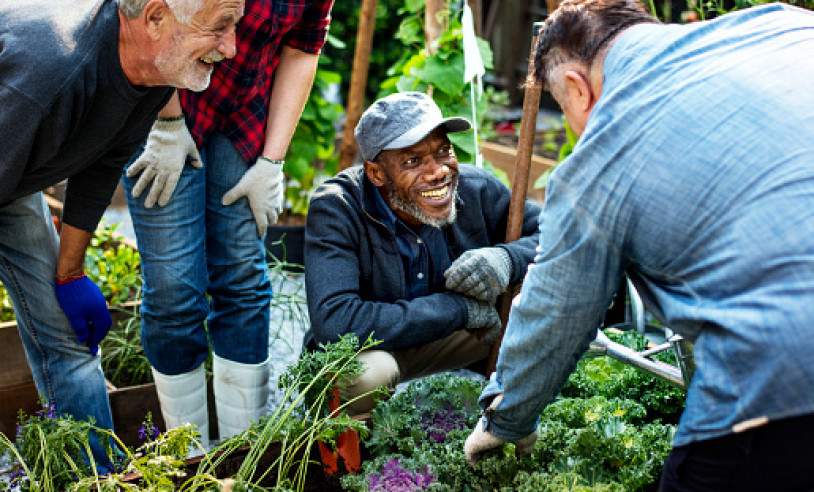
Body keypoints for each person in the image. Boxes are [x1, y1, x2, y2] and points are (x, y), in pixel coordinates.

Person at [463, 1, 814, 489]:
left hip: (783, 377)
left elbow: (556, 309)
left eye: (564, 111)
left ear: (576, 88)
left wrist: (506, 420)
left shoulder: (600, 158)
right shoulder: (779, 23)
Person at [0, 0, 243, 465]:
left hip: (14, 179)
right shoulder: (51, 74)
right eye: (220, 27)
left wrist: (69, 275)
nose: (231, 47)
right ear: (155, 18)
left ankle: (95, 476)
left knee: (66, 335)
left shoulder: (153, 74)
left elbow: (101, 165)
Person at [121, 0, 335, 443]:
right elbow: (150, 21)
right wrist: (167, 122)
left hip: (243, 113)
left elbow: (303, 48)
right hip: (164, 98)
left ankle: (243, 449)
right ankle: (186, 453)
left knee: (242, 278)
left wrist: (272, 162)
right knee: (174, 289)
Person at [303, 91, 543, 414]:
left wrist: (506, 259)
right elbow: (335, 321)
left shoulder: (476, 189)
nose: (438, 172)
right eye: (413, 161)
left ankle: (509, 419)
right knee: (364, 377)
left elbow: (555, 234)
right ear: (376, 173)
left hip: (454, 338)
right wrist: (458, 310)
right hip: (375, 348)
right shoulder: (337, 208)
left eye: (443, 151)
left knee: (541, 300)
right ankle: (354, 442)